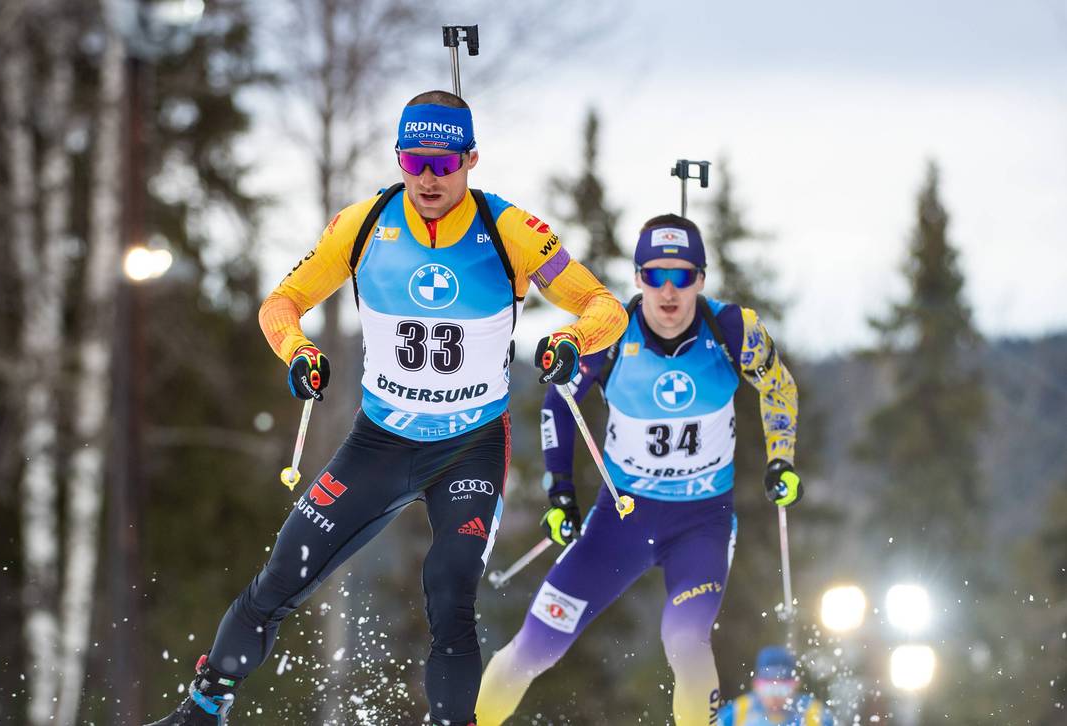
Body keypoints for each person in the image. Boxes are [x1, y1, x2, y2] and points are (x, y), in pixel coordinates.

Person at [145, 90, 627, 726]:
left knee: (451, 589)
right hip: (381, 443)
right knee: (282, 576)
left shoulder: (509, 230)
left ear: (470, 159)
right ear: (398, 158)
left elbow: (605, 308)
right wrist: (297, 352)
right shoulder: (364, 225)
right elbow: (280, 304)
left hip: (470, 446)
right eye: (414, 160)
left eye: (443, 162)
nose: (427, 178)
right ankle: (203, 710)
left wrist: (571, 339)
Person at [475, 214, 803, 726]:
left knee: (686, 643)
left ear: (700, 277)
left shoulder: (734, 329)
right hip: (621, 518)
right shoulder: (609, 335)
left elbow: (778, 387)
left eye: (681, 276)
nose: (668, 292)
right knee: (535, 646)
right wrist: (559, 492)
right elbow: (558, 404)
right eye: (654, 276)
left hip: (701, 523)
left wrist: (781, 458)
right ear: (637, 278)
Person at [720, 646, 834, 725]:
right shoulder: (738, 712)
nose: (774, 698)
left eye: (782, 690)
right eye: (769, 690)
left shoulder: (814, 714)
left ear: (795, 685)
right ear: (755, 685)